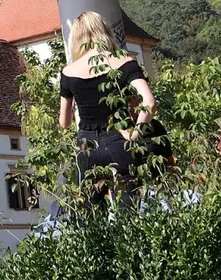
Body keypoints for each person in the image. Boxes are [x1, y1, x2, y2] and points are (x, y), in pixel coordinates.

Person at [57, 11, 157, 205]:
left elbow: (65, 122)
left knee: (91, 216)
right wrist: (135, 134)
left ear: (76, 38)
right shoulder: (125, 62)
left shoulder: (67, 72)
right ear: (104, 31)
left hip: (86, 145)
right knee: (129, 213)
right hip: (120, 139)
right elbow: (150, 102)